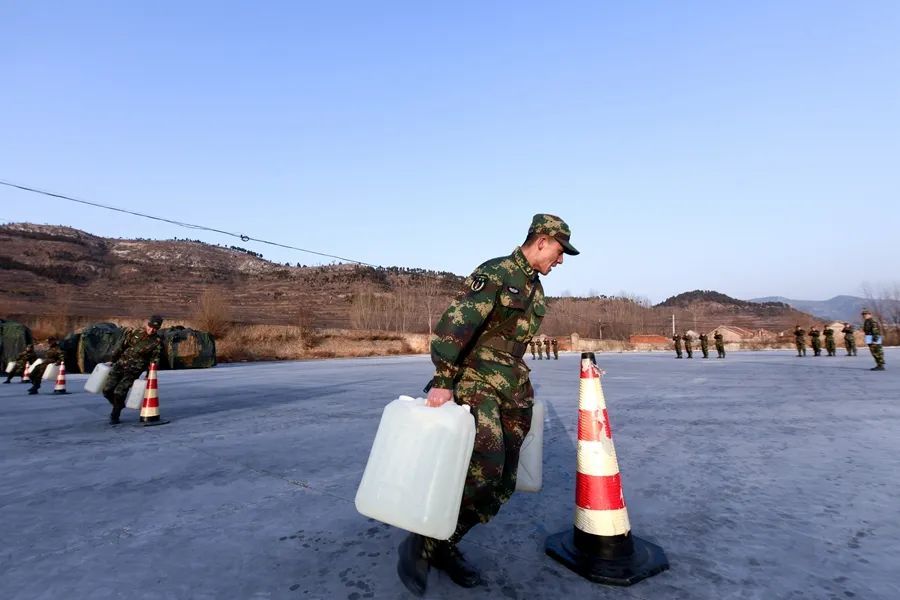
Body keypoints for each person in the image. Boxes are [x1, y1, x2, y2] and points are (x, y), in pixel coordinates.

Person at [397, 214, 578, 596]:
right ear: (543, 241)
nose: (560, 260)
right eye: (560, 251)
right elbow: (455, 324)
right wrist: (444, 379)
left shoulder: (535, 288)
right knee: (486, 466)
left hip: (512, 386)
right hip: (477, 381)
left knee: (504, 480)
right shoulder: (496, 272)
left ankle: (445, 542)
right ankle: (421, 541)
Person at [103, 315, 163, 424]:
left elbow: (154, 360)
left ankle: (115, 414)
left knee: (119, 392)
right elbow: (122, 346)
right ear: (147, 324)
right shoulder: (136, 332)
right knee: (107, 390)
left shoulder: (157, 342)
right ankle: (119, 405)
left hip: (133, 370)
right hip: (120, 364)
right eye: (150, 326)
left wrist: (149, 375)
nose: (152, 330)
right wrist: (112, 360)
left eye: (155, 328)